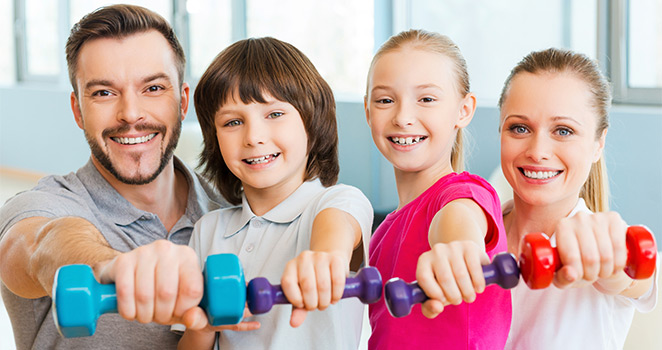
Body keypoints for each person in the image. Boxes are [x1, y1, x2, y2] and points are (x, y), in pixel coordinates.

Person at [0, 5, 249, 350]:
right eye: (104, 92)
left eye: (153, 88)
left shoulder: (229, 212)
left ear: (182, 101)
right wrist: (110, 265)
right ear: (78, 110)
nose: (130, 114)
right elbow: (36, 245)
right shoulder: (45, 205)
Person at [177, 37, 374, 350]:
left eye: (275, 114)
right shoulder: (208, 231)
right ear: (214, 139)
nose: (254, 137)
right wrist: (203, 326)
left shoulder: (338, 202)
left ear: (312, 121)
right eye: (233, 122)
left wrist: (323, 259)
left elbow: (336, 236)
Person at [498, 48, 658, 349]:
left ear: (599, 144)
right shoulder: (473, 232)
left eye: (563, 130)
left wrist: (613, 267)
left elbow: (634, 278)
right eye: (520, 128)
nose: (538, 151)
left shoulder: (607, 244)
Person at [365, 29, 510, 349]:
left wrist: (458, 249)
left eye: (426, 99)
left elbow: (458, 220)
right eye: (385, 100)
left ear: (464, 110)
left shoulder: (467, 194)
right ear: (367, 111)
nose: (403, 117)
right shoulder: (380, 235)